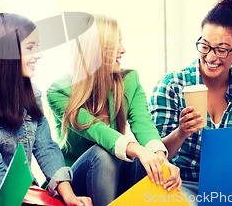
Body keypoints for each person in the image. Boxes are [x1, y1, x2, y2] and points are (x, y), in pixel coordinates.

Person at [47, 14, 181, 206]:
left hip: (116, 176)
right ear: (92, 50)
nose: (122, 50)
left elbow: (144, 125)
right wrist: (140, 151)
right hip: (77, 180)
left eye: (121, 41)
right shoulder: (59, 91)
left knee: (149, 164)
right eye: (113, 44)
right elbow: (96, 131)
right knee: (103, 153)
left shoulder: (129, 80)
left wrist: (160, 159)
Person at [0, 12, 91, 206]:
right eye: (30, 48)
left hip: (28, 193)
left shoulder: (32, 93)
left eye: (37, 47)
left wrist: (69, 197)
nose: (38, 55)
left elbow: (46, 148)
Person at [149, 0, 232, 206]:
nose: (211, 57)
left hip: (228, 191)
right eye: (205, 46)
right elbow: (153, 155)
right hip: (178, 186)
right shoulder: (172, 86)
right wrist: (182, 132)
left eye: (221, 49)